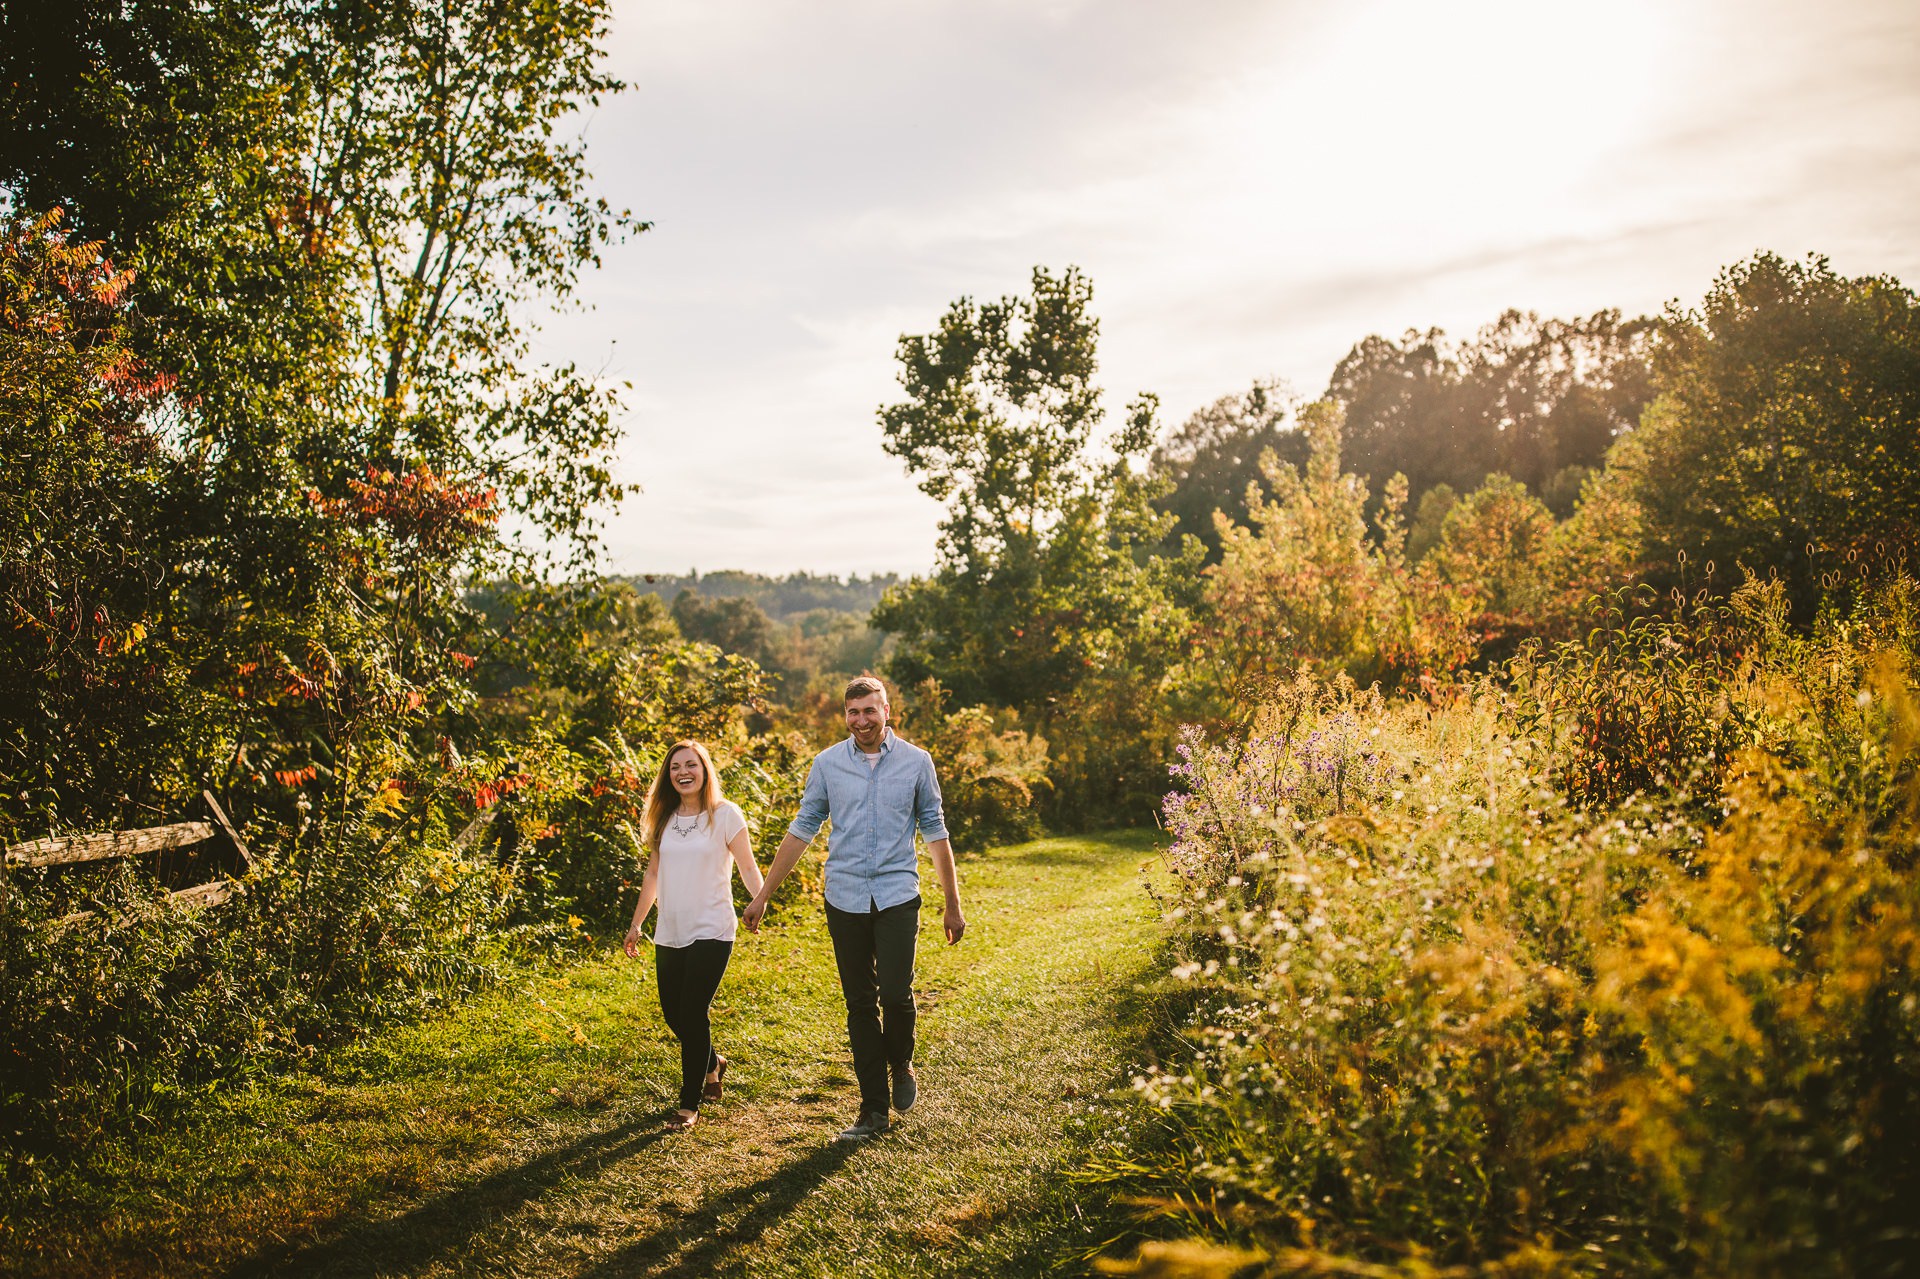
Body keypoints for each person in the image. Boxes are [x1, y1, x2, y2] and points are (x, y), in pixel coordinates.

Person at [743, 675, 965, 1142]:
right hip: (843, 897)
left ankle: (901, 1061)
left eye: (870, 710)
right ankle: (873, 1109)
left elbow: (935, 832)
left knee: (897, 993)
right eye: (853, 712)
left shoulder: (917, 763)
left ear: (888, 712)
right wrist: (763, 893)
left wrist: (953, 904)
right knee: (860, 1003)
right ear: (845, 716)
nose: (861, 720)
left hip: (897, 895)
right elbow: (802, 828)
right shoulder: (826, 764)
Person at [624, 739, 766, 1131]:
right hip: (670, 929)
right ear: (668, 776)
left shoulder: (725, 814)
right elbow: (653, 875)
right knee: (673, 1012)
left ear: (704, 770)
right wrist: (637, 923)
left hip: (713, 926)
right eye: (675, 767)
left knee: (692, 1010)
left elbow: (747, 866)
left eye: (691, 765)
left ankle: (689, 1104)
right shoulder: (665, 818)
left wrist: (760, 900)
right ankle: (713, 1061)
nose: (683, 772)